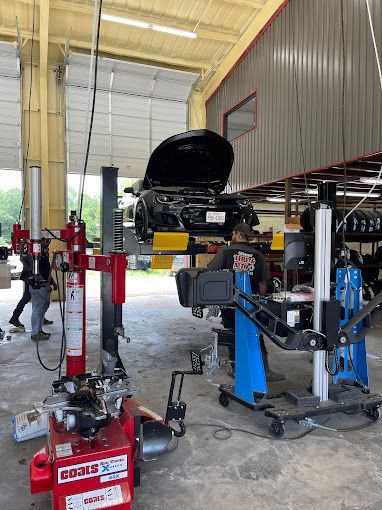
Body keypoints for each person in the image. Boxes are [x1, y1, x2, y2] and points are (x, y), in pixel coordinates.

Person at [207, 223, 285, 382]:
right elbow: (263, 283)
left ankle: (236, 369)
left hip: (230, 303)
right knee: (256, 335)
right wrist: (260, 304)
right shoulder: (258, 255)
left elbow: (211, 273)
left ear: (237, 234)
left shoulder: (225, 252)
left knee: (233, 334)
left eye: (233, 233)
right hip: (252, 304)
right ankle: (264, 370)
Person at [9, 244, 55, 330]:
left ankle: (40, 318)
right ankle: (15, 317)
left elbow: (45, 269)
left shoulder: (44, 251)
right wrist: (45, 284)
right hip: (32, 278)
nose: (48, 242)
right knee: (30, 298)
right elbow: (35, 269)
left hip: (39, 278)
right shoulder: (34, 249)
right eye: (45, 240)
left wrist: (52, 282)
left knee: (42, 301)